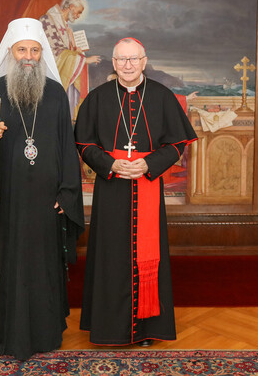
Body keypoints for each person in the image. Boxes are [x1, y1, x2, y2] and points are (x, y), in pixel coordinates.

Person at [0, 18, 84, 360]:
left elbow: (67, 146)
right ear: (11, 53)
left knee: (43, 264)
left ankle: (45, 332)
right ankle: (1, 330)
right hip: (8, 198)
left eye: (35, 50)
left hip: (46, 200)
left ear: (42, 54)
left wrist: (67, 192)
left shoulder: (57, 94)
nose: (29, 57)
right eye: (22, 50)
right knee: (8, 263)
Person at [74, 37, 197, 347]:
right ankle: (108, 327)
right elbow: (84, 143)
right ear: (114, 64)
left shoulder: (162, 96)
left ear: (144, 61)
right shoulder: (98, 97)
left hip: (147, 185)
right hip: (111, 186)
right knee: (110, 254)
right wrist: (111, 164)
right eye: (121, 60)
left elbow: (177, 143)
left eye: (133, 59)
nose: (127, 65)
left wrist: (148, 164)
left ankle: (146, 329)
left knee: (147, 253)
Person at [39, 0, 101, 118]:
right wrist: (84, 60)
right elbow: (54, 51)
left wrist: (75, 46)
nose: (78, 16)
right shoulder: (48, 20)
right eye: (78, 12)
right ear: (71, 7)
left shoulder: (66, 26)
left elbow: (67, 50)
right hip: (52, 73)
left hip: (65, 72)